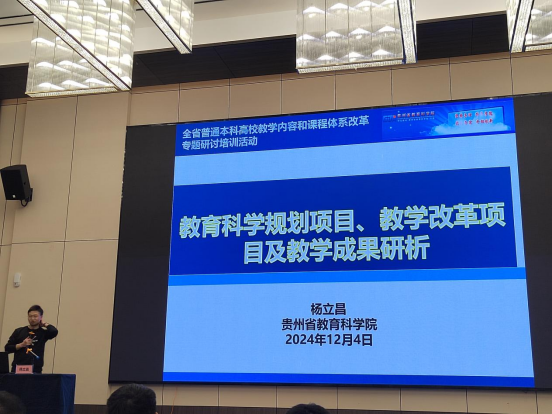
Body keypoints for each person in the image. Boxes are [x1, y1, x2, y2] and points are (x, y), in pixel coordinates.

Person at [4, 305, 58, 373]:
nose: (32, 318)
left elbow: (54, 331)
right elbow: (7, 348)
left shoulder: (43, 333)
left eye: (35, 316)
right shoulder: (19, 331)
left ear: (41, 317)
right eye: (30, 316)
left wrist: (44, 324)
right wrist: (21, 345)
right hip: (18, 368)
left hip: (35, 369)